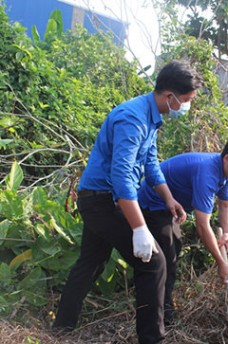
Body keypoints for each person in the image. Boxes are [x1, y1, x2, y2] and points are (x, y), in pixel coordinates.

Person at [53, 60, 203, 344]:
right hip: (102, 201)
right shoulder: (132, 118)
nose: (186, 106)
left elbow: (150, 163)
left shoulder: (151, 118)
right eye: (185, 100)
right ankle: (152, 338)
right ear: (169, 96)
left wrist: (169, 199)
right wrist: (139, 228)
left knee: (92, 262)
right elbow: (121, 177)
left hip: (103, 200)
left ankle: (62, 326)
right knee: (153, 262)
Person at [138, 135, 228, 324]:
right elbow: (203, 226)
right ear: (227, 158)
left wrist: (227, 233)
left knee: (173, 249)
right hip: (151, 204)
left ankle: (163, 307)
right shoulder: (207, 173)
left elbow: (225, 207)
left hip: (171, 209)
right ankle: (158, 314)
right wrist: (220, 262)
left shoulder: (226, 175)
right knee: (164, 257)